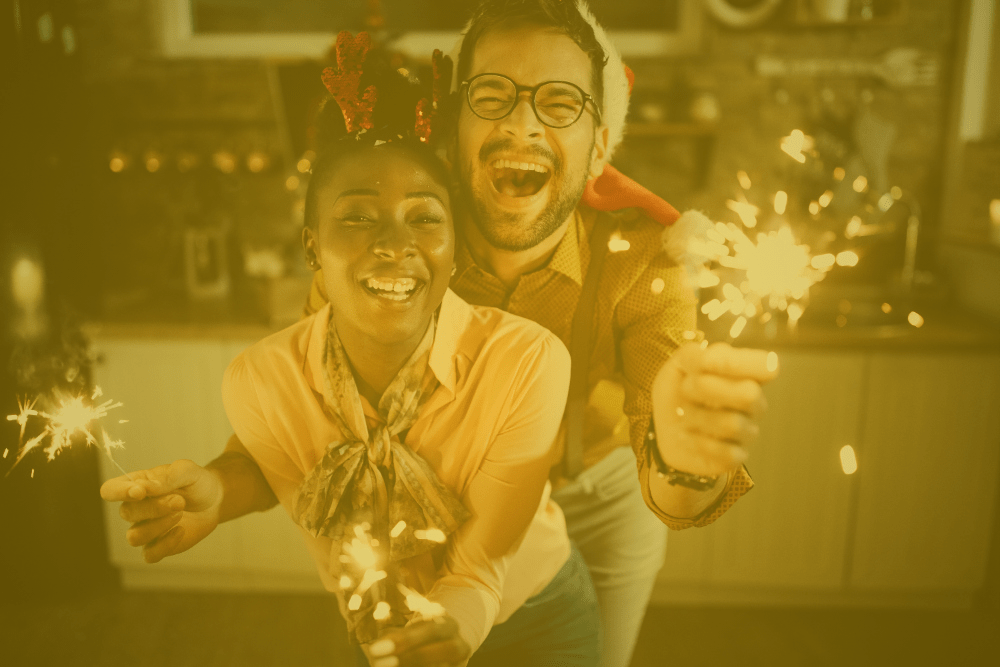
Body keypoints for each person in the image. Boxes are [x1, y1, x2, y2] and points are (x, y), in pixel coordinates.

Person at [104, 2, 779, 666]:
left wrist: (683, 453)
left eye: (560, 103)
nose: (522, 123)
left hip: (603, 491)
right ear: (454, 127)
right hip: (452, 499)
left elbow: (674, 476)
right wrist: (220, 487)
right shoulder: (393, 256)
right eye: (493, 95)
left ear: (599, 145)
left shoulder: (644, 261)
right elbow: (311, 417)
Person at [103, 33, 600, 667]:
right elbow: (278, 460)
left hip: (537, 615)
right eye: (359, 218)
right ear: (312, 247)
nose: (396, 243)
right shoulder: (262, 379)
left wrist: (452, 629)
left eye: (424, 217)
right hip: (382, 625)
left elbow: (482, 563)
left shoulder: (528, 362)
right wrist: (217, 493)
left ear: (454, 246)